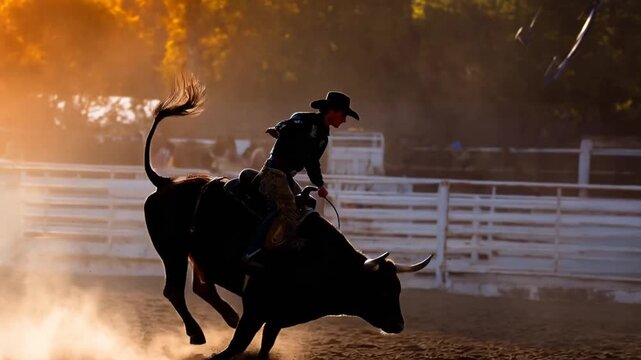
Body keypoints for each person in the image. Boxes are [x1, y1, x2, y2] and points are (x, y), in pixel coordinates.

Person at [243, 91, 360, 266]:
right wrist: (278, 130)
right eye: (344, 115)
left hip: (285, 176)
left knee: (307, 205)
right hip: (274, 172)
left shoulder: (322, 137)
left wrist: (319, 183)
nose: (344, 120)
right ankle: (253, 250)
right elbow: (288, 127)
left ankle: (290, 243)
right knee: (288, 206)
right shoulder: (304, 121)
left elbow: (311, 161)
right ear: (333, 111)